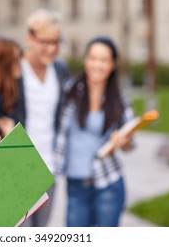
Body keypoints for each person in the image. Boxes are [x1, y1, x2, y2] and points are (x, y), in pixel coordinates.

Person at [54, 36, 135, 227]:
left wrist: (124, 141)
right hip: (76, 186)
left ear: (113, 64)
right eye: (93, 58)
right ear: (85, 60)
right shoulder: (69, 93)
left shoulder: (121, 103)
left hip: (109, 184)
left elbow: (130, 144)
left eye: (104, 60)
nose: (97, 65)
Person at [16, 9, 69, 227]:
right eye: (45, 41)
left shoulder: (59, 69)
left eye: (56, 42)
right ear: (29, 38)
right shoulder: (14, 68)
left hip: (49, 166)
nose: (52, 48)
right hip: (17, 169)